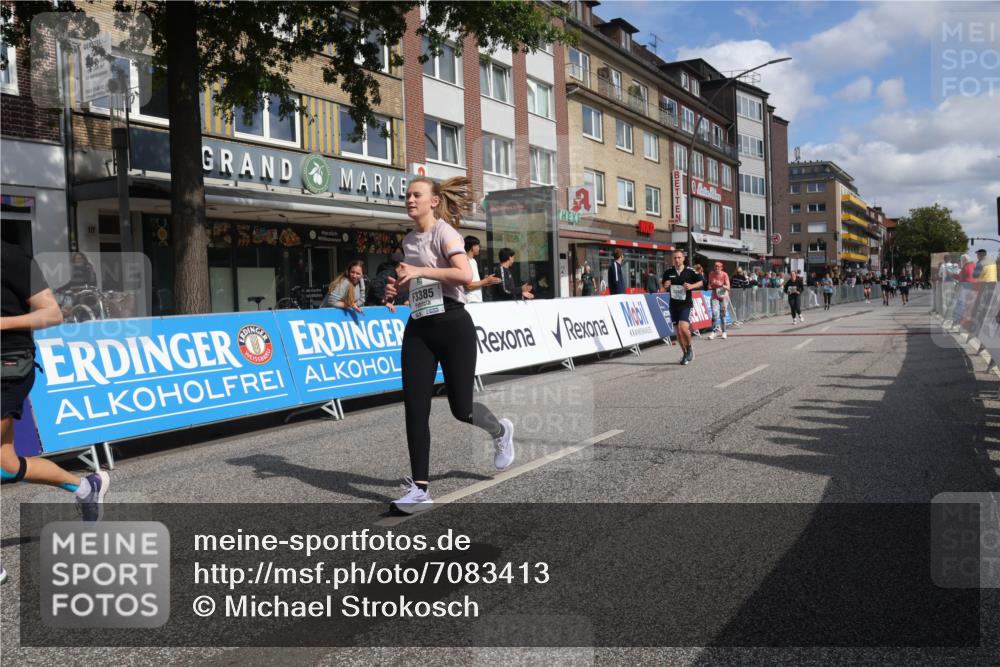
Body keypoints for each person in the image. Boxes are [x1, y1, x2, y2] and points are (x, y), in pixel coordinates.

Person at [390, 176, 514, 514]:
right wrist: (397, 289)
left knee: (462, 408)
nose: (410, 200)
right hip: (419, 327)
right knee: (415, 407)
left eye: (416, 195)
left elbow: (462, 275)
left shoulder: (445, 233)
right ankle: (420, 489)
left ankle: (500, 431)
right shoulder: (408, 239)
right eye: (407, 195)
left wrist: (418, 270)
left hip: (453, 325)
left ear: (433, 201)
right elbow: (417, 283)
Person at [2, 241, 109, 584]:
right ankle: (86, 487)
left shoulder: (10, 256)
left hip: (8, 366)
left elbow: (52, 313)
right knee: (6, 464)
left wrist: (2, 323)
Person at [662, 249, 703, 365]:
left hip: (686, 304)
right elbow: (663, 286)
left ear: (683, 258)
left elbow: (701, 282)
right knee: (678, 333)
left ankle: (689, 347)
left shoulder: (690, 271)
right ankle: (685, 353)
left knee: (683, 328)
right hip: (673, 305)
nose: (677, 260)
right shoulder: (668, 272)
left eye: (679, 257)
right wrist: (665, 285)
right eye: (675, 258)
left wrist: (691, 286)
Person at [462, 236, 500, 304]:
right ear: (473, 247)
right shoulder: (465, 260)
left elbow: (475, 283)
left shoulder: (473, 261)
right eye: (478, 246)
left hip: (477, 299)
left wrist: (488, 281)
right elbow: (468, 286)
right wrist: (486, 281)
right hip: (470, 300)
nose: (479, 248)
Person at [707, 261, 731, 341]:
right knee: (714, 314)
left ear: (721, 267)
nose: (717, 267)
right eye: (715, 266)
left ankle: (724, 332)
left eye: (718, 266)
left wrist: (721, 285)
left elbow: (728, 287)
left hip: (723, 295)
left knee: (722, 314)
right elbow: (709, 285)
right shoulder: (711, 274)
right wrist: (711, 286)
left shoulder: (724, 274)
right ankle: (713, 332)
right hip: (714, 295)